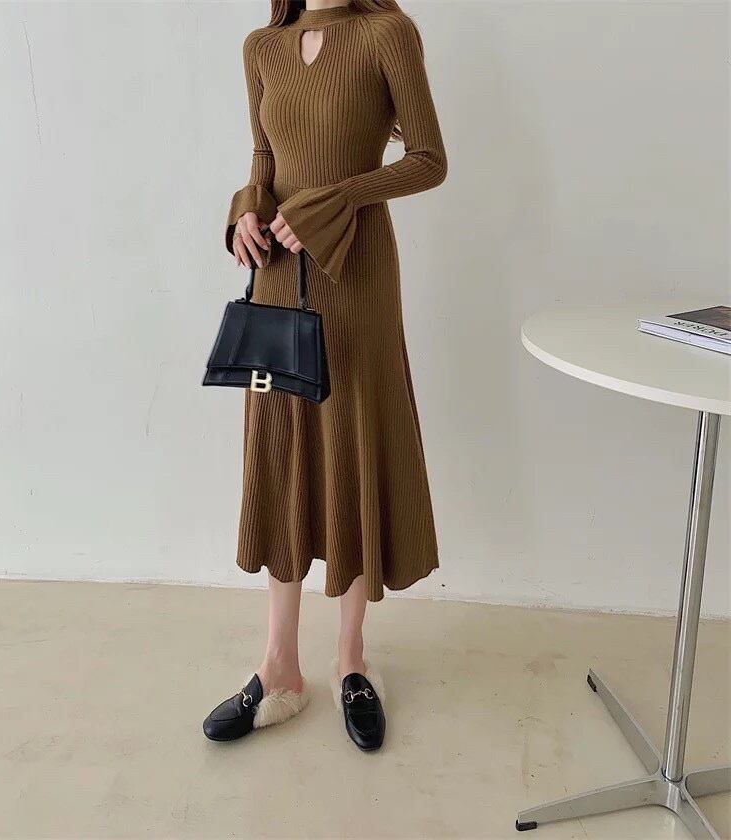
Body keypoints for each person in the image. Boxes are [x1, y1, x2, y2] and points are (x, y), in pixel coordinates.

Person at [203, 0, 447, 751]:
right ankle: (279, 666)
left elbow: (428, 159)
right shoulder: (262, 46)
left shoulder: (386, 34)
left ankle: (351, 662)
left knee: (352, 441)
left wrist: (338, 199)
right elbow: (263, 160)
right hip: (278, 272)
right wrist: (246, 211)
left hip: (357, 273)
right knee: (281, 449)